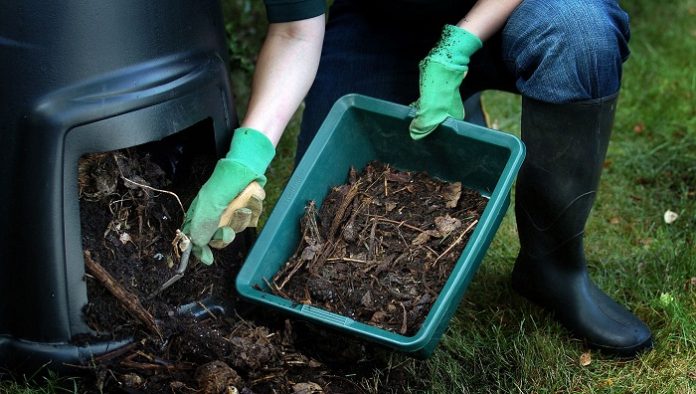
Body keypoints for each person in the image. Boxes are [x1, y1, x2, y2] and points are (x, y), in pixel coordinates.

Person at [182, 0, 653, 357]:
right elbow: (292, 33)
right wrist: (248, 155)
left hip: (507, 11)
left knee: (581, 33)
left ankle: (553, 270)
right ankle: (459, 114)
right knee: (327, 198)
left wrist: (458, 45)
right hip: (379, 22)